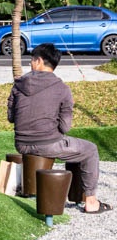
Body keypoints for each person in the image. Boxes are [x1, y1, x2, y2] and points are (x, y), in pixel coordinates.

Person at [7, 43, 110, 214]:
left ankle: (77, 195)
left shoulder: (18, 85)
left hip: (21, 143)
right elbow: (65, 126)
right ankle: (91, 201)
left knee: (76, 148)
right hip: (48, 143)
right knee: (90, 149)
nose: (31, 64)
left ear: (39, 61)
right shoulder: (62, 89)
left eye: (32, 60)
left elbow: (11, 118)